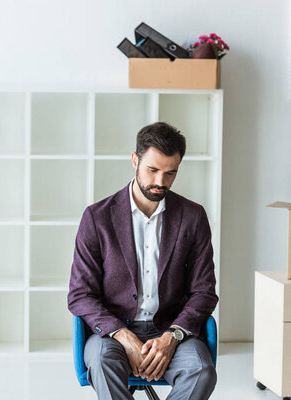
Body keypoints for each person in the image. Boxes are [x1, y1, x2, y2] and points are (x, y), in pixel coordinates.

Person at [67, 122, 218, 400]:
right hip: (111, 333)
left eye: (170, 173)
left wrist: (172, 337)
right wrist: (124, 337)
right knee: (102, 363)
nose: (161, 182)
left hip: (170, 328)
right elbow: (80, 295)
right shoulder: (97, 218)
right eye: (153, 170)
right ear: (135, 160)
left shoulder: (193, 217)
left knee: (200, 370)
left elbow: (204, 292)